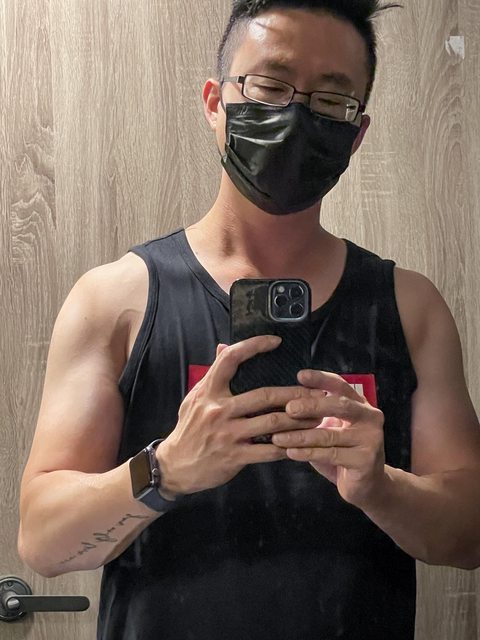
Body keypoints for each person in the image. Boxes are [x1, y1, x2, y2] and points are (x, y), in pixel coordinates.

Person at [18, 1, 480, 639]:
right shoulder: (116, 300)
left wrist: (381, 487)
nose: (297, 116)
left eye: (331, 101)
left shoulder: (409, 307)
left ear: (356, 133)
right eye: (269, 85)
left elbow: (471, 537)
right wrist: (165, 470)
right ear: (215, 102)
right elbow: (41, 541)